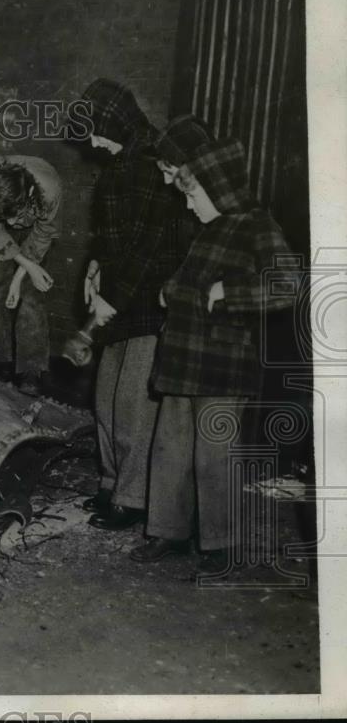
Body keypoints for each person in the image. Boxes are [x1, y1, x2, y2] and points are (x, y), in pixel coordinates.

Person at [130, 136, 296, 571]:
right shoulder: (208, 228)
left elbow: (286, 285)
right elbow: (189, 280)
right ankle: (168, 531)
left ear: (218, 188)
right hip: (183, 360)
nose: (187, 205)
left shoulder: (257, 225)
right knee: (171, 449)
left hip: (223, 365)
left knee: (215, 456)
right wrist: (170, 292)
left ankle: (222, 543)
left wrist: (230, 292)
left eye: (192, 194)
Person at [77, 78, 197, 530]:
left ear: (114, 120)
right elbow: (112, 233)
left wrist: (114, 294)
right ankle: (112, 483)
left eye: (95, 130)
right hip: (118, 292)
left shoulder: (150, 161)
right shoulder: (119, 160)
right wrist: (94, 264)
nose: (91, 142)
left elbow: (149, 244)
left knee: (133, 399)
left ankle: (134, 496)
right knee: (106, 393)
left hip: (147, 296)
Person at [0, 155, 61, 395]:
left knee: (32, 292)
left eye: (14, 215)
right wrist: (19, 264)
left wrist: (20, 278)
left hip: (35, 227)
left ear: (29, 193)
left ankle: (31, 370)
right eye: (5, 216)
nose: (11, 222)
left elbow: (42, 236)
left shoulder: (49, 191)